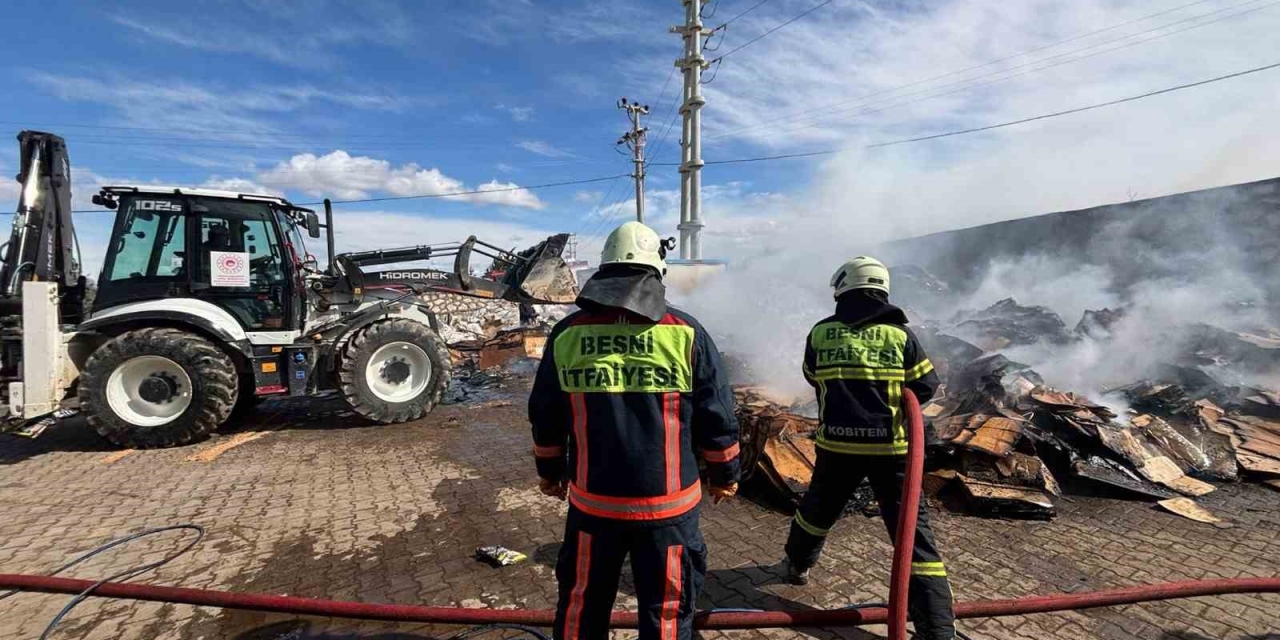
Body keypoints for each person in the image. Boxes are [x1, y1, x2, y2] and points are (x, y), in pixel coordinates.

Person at [529, 221, 741, 640]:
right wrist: (726, 476)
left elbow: (546, 414)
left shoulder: (567, 334)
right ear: (656, 273)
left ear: (604, 271)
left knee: (581, 605)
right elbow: (717, 415)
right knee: (665, 611)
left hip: (594, 507)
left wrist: (550, 473)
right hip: (669, 510)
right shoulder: (686, 333)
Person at [782, 256, 956, 640]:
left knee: (817, 511)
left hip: (836, 448)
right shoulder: (901, 336)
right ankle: (938, 631)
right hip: (892, 452)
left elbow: (812, 376)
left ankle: (797, 565)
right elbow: (926, 385)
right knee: (913, 537)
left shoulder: (821, 333)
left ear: (843, 288)